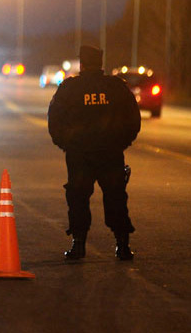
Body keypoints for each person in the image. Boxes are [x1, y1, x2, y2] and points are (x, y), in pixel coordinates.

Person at [47, 45, 141, 261]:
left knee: (78, 199)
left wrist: (66, 144)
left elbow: (55, 120)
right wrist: (121, 143)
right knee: (116, 198)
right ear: (100, 63)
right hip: (111, 154)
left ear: (82, 63)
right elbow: (133, 119)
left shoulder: (70, 88)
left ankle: (78, 245)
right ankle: (123, 246)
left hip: (80, 155)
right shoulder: (116, 87)